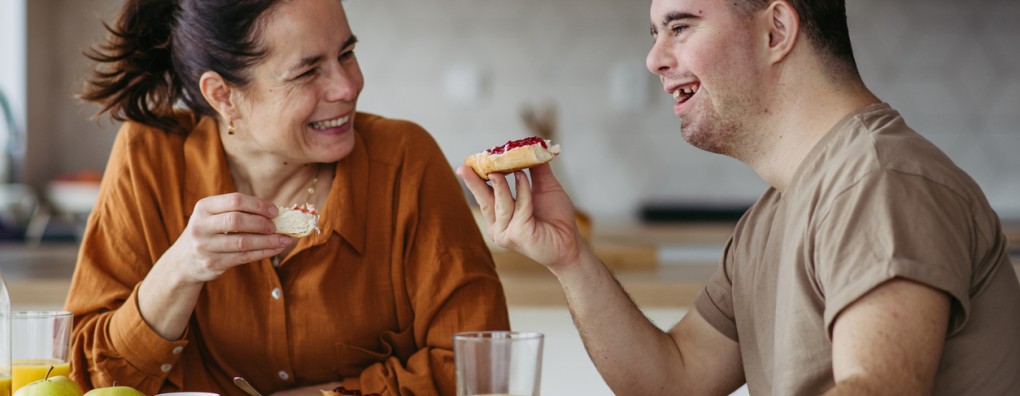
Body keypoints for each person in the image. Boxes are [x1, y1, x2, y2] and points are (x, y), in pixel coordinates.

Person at [458, 0, 1020, 394]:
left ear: (776, 31)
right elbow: (674, 379)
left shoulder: (880, 182)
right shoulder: (771, 216)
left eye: (679, 27)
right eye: (654, 34)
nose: (654, 59)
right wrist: (570, 258)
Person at [67, 0, 510, 395]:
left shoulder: (406, 162)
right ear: (223, 96)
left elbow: (480, 370)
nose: (348, 86)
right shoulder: (148, 157)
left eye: (347, 54)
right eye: (308, 71)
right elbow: (88, 379)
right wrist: (180, 270)